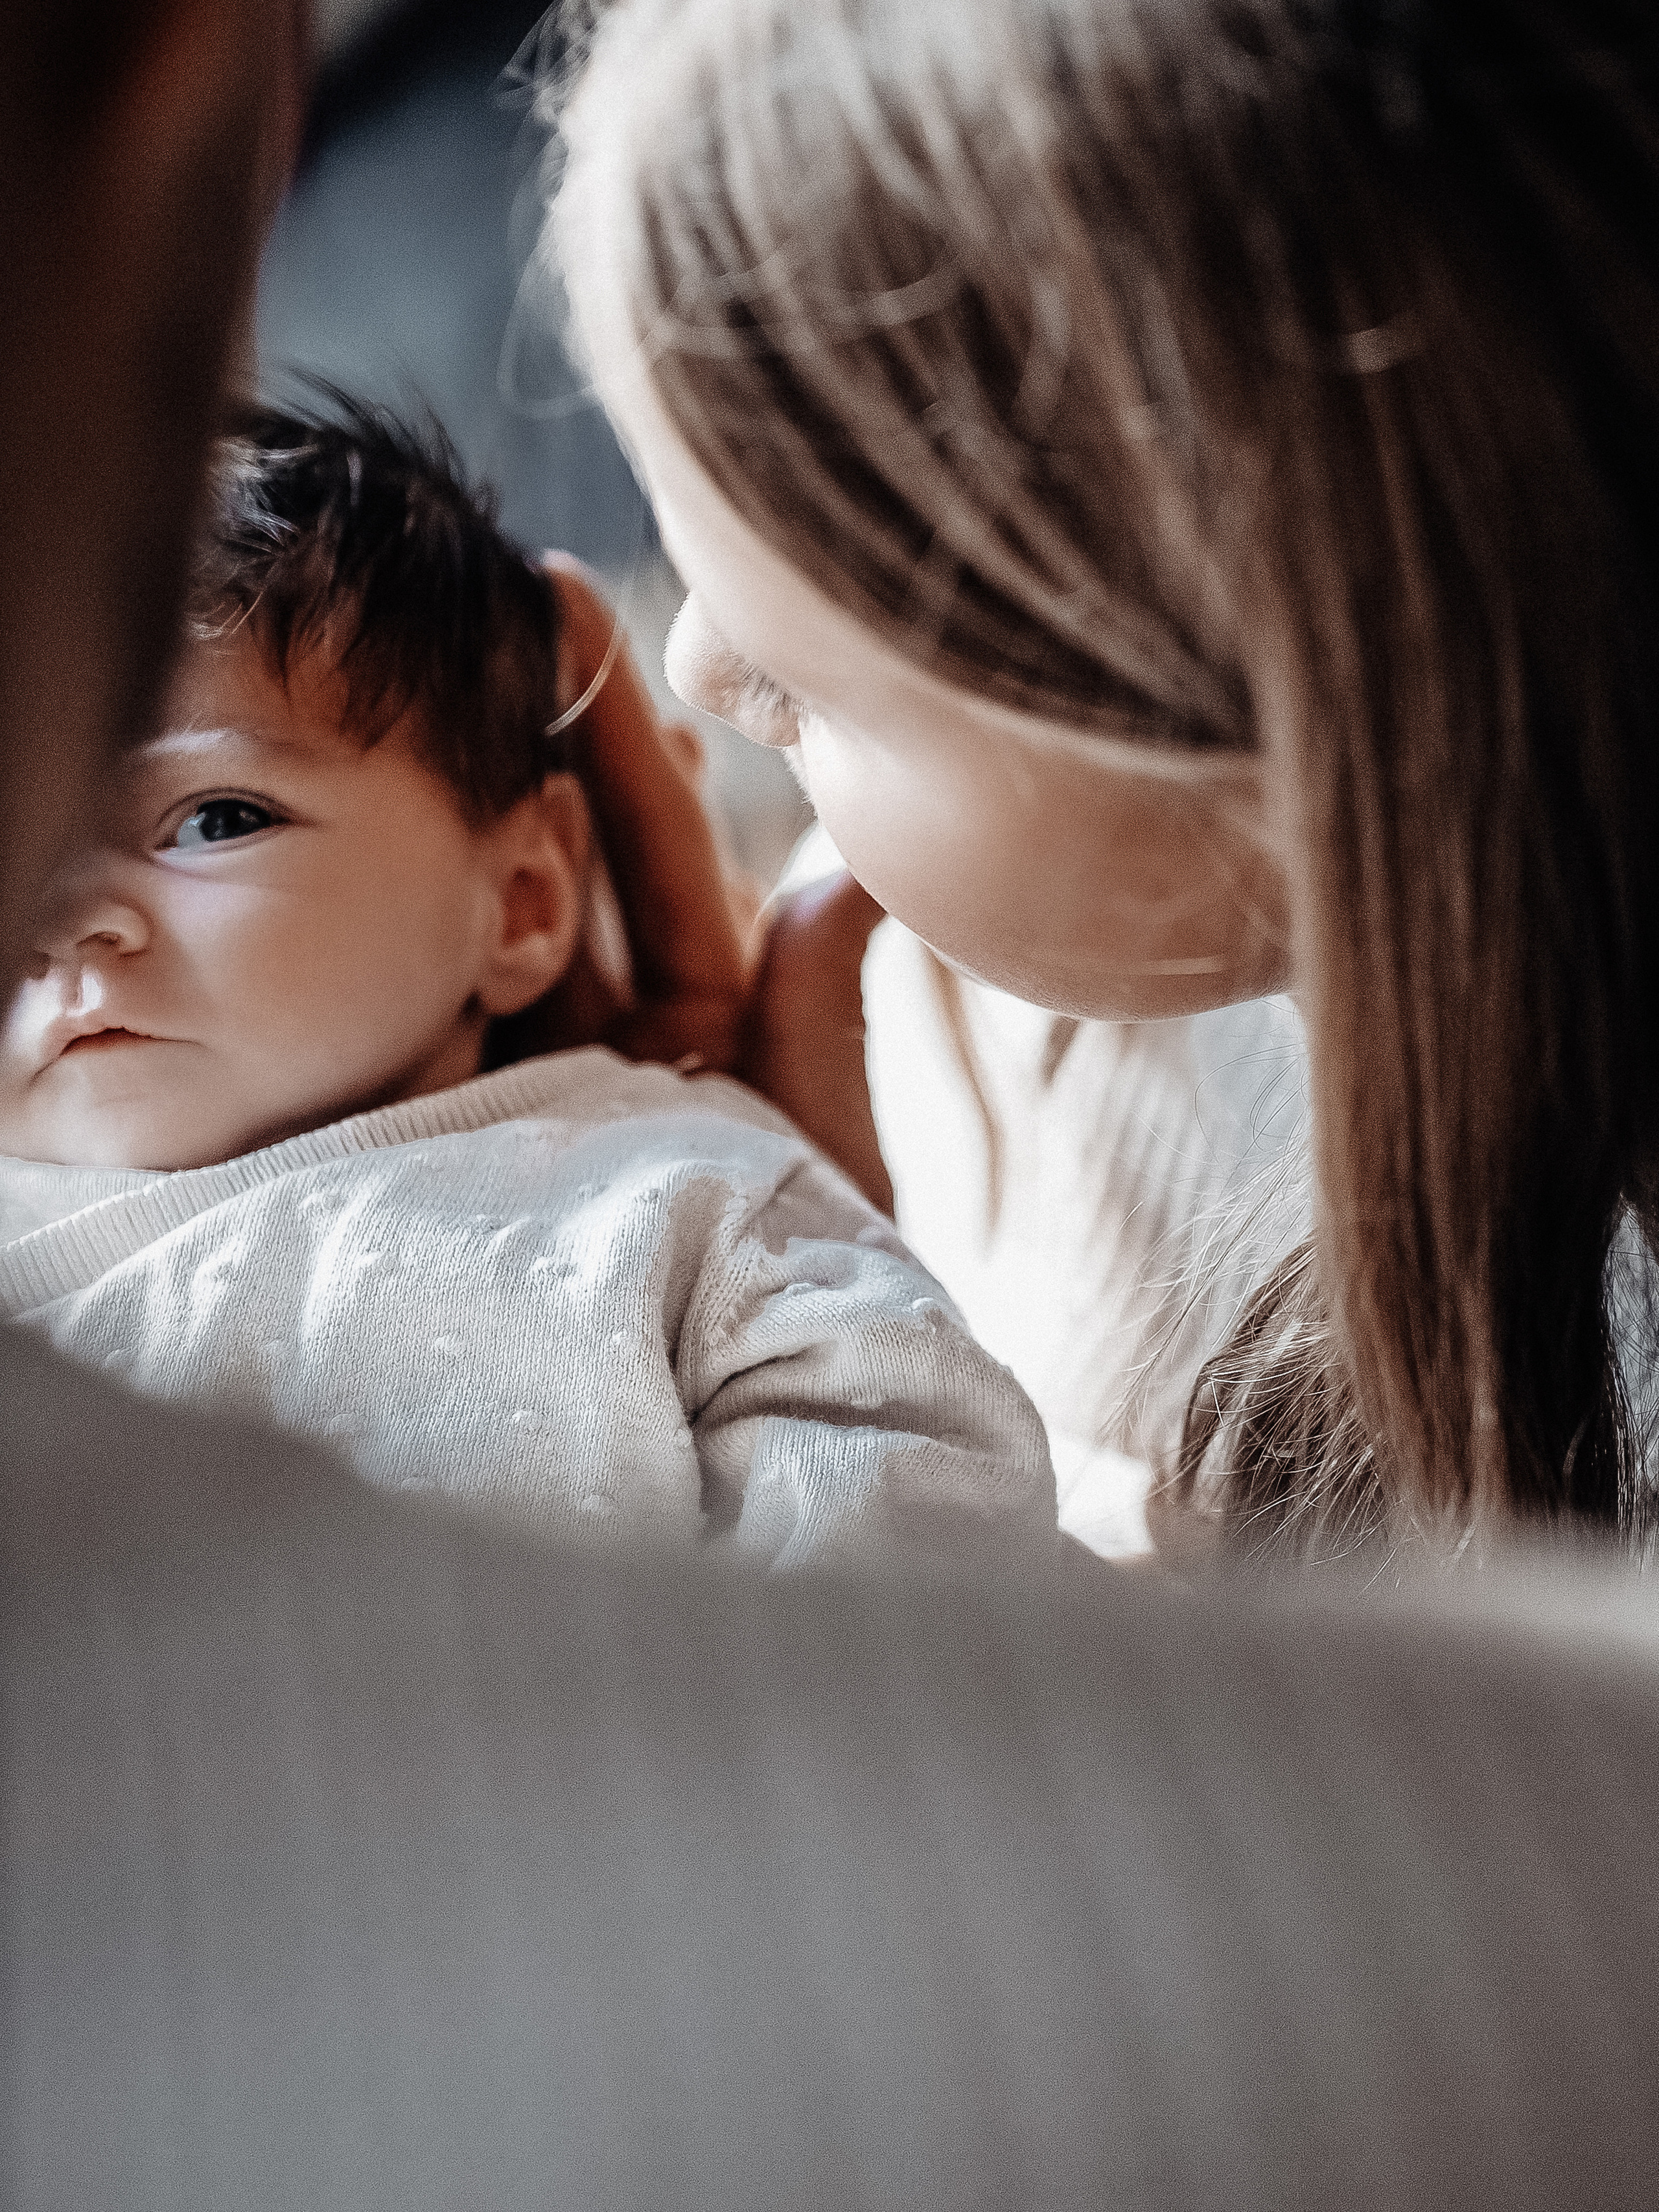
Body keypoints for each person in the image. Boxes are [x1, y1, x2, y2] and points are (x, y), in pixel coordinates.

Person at [13, 4, 1659, 2205]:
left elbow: (942, 1568)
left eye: (213, 818)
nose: (683, 673)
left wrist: (822, 1215)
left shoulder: (724, 1185)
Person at [547, 0, 1659, 1567]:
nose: (698, 675)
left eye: (807, 684)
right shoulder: (1026, 970)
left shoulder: (1579, 1452)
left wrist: (934, 1424)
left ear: (1266, 762)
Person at [0, 396, 1049, 1565]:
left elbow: (930, 1511)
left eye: (215, 818)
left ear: (523, 899)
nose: (59, 923)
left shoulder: (667, 1181)